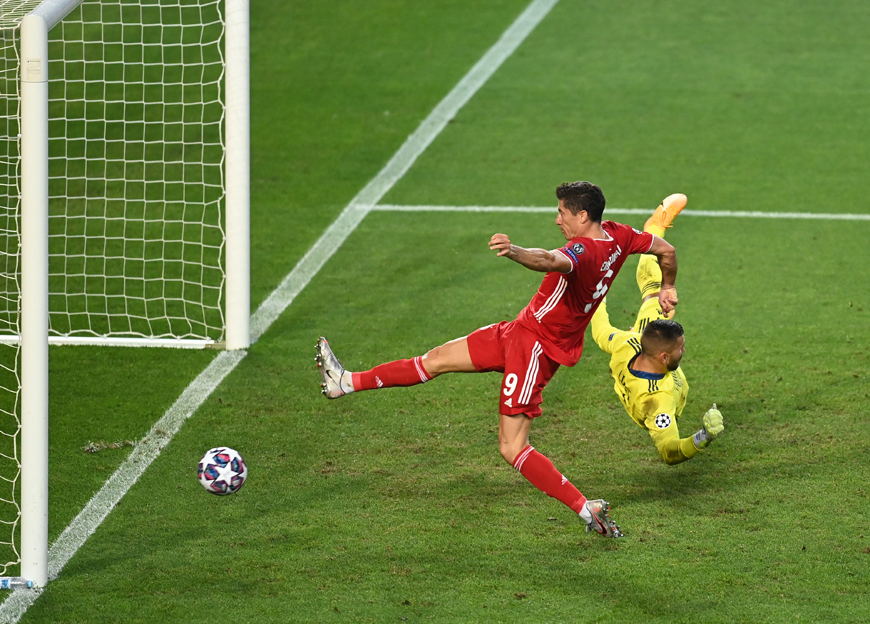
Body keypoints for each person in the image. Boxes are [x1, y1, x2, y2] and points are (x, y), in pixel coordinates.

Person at [316, 181, 679, 538]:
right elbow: (666, 250)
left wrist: (512, 250)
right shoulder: (619, 235)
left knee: (512, 447)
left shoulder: (584, 252)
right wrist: (667, 286)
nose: (557, 220)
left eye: (562, 213)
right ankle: (344, 382)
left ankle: (587, 510)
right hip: (519, 331)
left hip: (535, 349)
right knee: (436, 359)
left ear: (583, 215)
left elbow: (547, 259)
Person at [590, 194, 724, 465]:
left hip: (644, 353)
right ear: (664, 356)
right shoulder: (658, 402)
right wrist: (705, 436)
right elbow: (670, 452)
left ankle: (655, 228)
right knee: (656, 295)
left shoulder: (629, 342)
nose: (684, 351)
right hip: (662, 394)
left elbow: (600, 330)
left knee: (656, 291)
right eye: (680, 349)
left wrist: (594, 294)